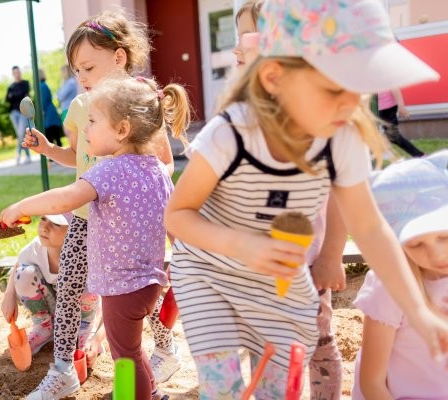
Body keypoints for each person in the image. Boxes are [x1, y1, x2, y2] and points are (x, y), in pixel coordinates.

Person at [164, 0, 447, 398]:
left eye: (359, 89)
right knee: (224, 385)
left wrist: (417, 311)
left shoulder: (342, 138)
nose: (350, 105)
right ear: (274, 77)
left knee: (279, 386)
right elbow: (177, 215)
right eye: (334, 88)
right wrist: (240, 243)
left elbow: (369, 228)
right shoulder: (231, 134)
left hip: (276, 280)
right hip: (208, 272)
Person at [21, 11, 183, 399]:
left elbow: (164, 162)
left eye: (89, 67)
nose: (83, 77)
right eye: (77, 70)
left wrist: (144, 196)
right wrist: (47, 150)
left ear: (120, 58)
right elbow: (76, 157)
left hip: (128, 224)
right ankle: (64, 368)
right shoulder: (81, 106)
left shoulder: (144, 103)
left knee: (138, 299)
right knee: (78, 289)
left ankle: (162, 351)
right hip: (86, 215)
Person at [232, 2, 347, 397]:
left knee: (316, 342)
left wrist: (332, 256)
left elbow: (340, 198)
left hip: (307, 267)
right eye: (238, 43)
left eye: (247, 40)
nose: (236, 51)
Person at [352, 151, 448, 399]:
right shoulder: (388, 288)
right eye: (416, 244)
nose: (437, 255)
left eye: (444, 237)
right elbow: (372, 382)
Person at [0, 213, 102, 356]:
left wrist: (96, 340)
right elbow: (19, 264)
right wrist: (9, 295)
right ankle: (45, 327)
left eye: (56, 224)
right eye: (43, 219)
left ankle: (84, 330)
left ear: (75, 229)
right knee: (23, 273)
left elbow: (115, 303)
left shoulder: (89, 253)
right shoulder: (35, 248)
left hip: (82, 312)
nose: (44, 227)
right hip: (54, 305)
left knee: (88, 286)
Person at [377, 88, 425, 157]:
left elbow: (395, 89)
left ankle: (419, 155)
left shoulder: (386, 78)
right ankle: (382, 150)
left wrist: (401, 106)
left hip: (388, 108)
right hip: (373, 108)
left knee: (392, 135)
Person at [6, 65, 32, 164]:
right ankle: (28, 156)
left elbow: (25, 95)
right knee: (20, 135)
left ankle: (17, 154)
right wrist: (18, 95)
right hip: (13, 113)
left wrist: (14, 96)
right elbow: (7, 99)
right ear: (13, 74)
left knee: (21, 133)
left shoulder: (25, 83)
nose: (17, 74)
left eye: (18, 72)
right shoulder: (11, 86)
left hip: (23, 111)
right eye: (15, 73)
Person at [38, 69, 64, 147]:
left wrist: (41, 111)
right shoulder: (44, 85)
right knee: (56, 136)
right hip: (51, 112)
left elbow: (43, 101)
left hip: (48, 115)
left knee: (50, 136)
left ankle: (54, 157)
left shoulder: (41, 86)